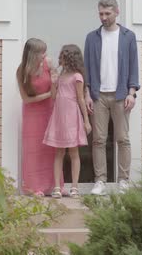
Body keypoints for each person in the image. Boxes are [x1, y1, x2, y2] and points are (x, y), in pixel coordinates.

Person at [84, 0, 140, 195]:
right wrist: (87, 94)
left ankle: (123, 180)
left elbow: (134, 66)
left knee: (122, 139)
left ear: (117, 12)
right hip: (98, 95)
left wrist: (132, 93)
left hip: (120, 95)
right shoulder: (92, 37)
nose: (104, 17)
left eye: (107, 13)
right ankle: (100, 181)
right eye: (101, 13)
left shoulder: (128, 36)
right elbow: (88, 68)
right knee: (98, 139)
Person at [43, 44, 92, 199]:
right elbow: (52, 96)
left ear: (70, 58)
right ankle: (57, 187)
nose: (60, 59)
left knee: (73, 152)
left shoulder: (77, 76)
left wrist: (86, 121)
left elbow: (81, 99)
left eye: (62, 56)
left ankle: (75, 187)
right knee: (58, 152)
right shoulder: (60, 76)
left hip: (71, 116)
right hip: (59, 116)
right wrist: (53, 82)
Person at [17, 38, 63, 197]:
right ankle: (34, 187)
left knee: (51, 147)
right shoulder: (21, 70)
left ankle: (54, 186)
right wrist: (48, 95)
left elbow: (55, 91)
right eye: (42, 52)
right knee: (33, 149)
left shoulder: (48, 64)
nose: (45, 55)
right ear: (32, 54)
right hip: (32, 113)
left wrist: (54, 82)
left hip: (49, 110)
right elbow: (26, 99)